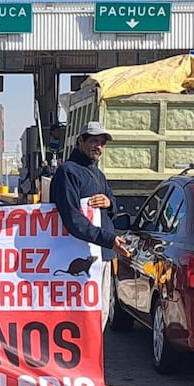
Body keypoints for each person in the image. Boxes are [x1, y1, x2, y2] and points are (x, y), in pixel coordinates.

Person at [50, 121, 132, 327]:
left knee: (100, 312)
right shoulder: (67, 173)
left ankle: (94, 358)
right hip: (77, 254)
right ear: (80, 141)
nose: (99, 147)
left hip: (101, 256)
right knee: (80, 316)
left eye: (103, 143)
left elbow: (113, 203)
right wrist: (108, 239)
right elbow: (72, 219)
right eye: (94, 141)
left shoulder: (98, 174)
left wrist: (109, 202)